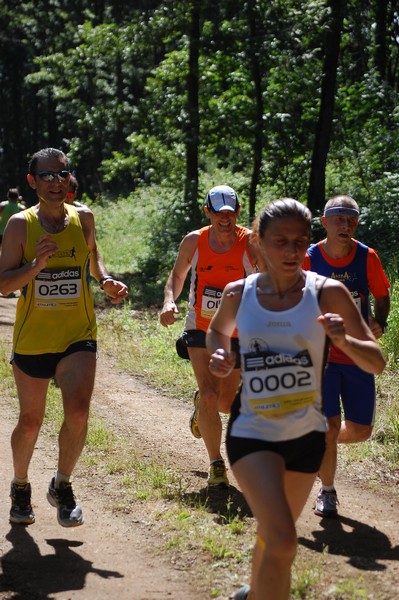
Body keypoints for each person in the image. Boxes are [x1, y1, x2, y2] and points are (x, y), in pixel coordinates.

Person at [206, 198, 385, 600]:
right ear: (258, 242)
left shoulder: (329, 293)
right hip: (252, 432)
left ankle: (254, 594)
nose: (290, 251)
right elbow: (218, 332)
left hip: (307, 437)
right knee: (285, 538)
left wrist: (343, 340)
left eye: (299, 242)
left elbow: (376, 362)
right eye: (280, 241)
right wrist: (221, 356)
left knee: (273, 539)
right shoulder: (239, 293)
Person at [0, 147, 128, 527]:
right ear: (32, 181)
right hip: (33, 338)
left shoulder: (84, 217)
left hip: (78, 333)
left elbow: (92, 255)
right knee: (30, 420)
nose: (56, 182)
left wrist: (104, 280)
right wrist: (36, 266)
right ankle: (21, 486)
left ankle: (62, 484)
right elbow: (4, 284)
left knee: (77, 410)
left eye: (61, 174)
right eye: (47, 175)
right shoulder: (20, 226)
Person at [159, 185, 261, 488]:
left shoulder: (250, 243)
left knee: (226, 403)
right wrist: (169, 300)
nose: (225, 220)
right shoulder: (195, 241)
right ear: (208, 213)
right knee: (210, 393)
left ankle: (202, 407)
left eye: (230, 214)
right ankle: (216, 463)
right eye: (219, 214)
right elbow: (177, 277)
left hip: (237, 331)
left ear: (238, 213)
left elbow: (267, 278)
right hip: (199, 326)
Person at [303, 194, 390, 518]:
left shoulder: (367, 257)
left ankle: (315, 447)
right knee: (329, 425)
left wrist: (379, 322)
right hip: (321, 356)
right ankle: (327, 492)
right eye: (339, 218)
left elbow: (382, 295)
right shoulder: (309, 257)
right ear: (324, 223)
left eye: (351, 219)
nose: (346, 225)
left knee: (359, 431)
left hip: (356, 352)